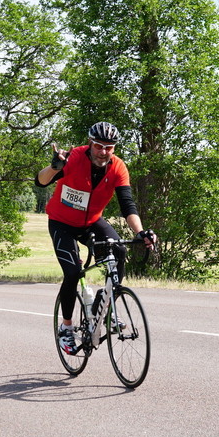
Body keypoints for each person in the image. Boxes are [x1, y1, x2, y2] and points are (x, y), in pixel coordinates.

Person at [35, 121, 156, 355]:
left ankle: (106, 304)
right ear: (90, 143)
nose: (104, 152)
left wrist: (140, 232)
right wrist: (55, 167)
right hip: (62, 223)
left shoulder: (118, 167)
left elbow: (127, 206)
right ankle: (66, 327)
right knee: (72, 273)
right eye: (99, 146)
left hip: (91, 221)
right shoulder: (73, 158)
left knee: (120, 250)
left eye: (109, 147)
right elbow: (40, 181)